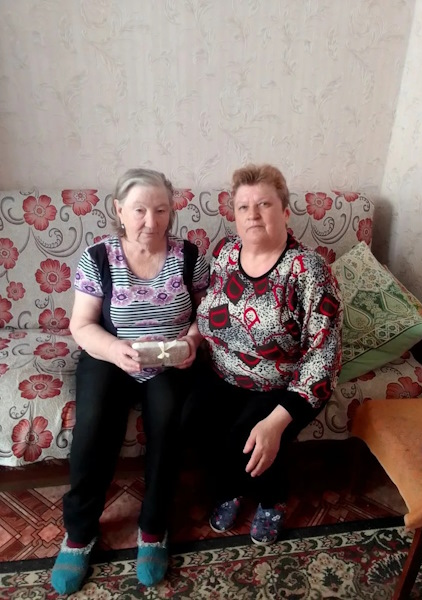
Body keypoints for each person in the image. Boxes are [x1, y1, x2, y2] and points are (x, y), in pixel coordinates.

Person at [51, 168, 209, 595]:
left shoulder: (189, 256)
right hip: (110, 353)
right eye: (139, 210)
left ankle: (154, 527)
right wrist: (115, 350)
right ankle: (79, 533)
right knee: (92, 424)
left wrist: (191, 341)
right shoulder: (99, 257)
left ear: (171, 211)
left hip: (169, 359)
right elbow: (82, 325)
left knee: (169, 420)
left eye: (161, 210)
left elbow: (207, 313)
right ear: (119, 210)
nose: (151, 222)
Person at [191, 164, 343, 545]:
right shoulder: (225, 253)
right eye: (243, 207)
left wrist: (277, 421)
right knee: (189, 419)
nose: (253, 214)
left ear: (285, 212)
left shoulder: (308, 270)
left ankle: (272, 499)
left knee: (250, 436)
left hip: (287, 383)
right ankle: (232, 486)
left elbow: (323, 358)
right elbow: (208, 312)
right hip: (224, 373)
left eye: (264, 204)